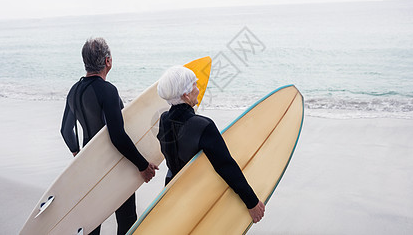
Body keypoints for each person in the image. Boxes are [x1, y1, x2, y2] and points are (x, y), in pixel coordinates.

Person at [60, 38, 158, 235]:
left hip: (88, 163)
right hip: (114, 164)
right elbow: (117, 135)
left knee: (92, 220)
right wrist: (142, 165)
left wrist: (77, 153)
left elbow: (65, 130)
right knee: (127, 218)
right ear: (107, 61)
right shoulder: (108, 91)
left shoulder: (74, 91)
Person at [156, 66, 265, 223]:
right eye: (194, 85)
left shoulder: (164, 119)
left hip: (172, 191)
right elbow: (226, 165)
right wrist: (252, 202)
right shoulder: (203, 125)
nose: (198, 89)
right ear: (186, 95)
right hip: (200, 198)